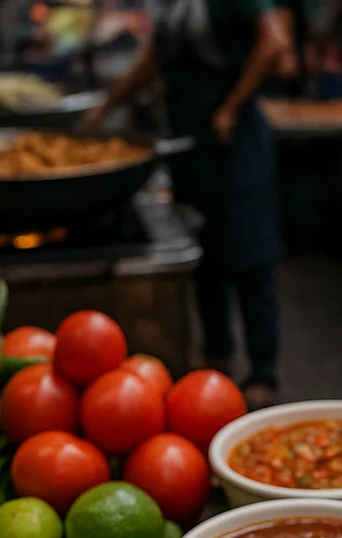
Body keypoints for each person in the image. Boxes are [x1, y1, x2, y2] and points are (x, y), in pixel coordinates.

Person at [85, 0, 292, 407]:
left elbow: (275, 43)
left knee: (251, 262)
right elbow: (153, 61)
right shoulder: (172, 8)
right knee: (205, 258)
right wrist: (105, 111)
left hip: (235, 146)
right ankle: (217, 361)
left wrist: (231, 108)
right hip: (192, 150)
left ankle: (263, 373)